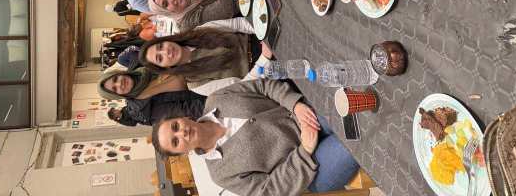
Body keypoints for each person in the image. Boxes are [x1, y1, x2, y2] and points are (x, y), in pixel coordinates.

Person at [153, 79, 360, 195]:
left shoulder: (216, 99)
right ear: (182, 152)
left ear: (182, 118)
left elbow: (263, 86)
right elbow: (268, 190)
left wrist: (295, 105)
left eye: (175, 126)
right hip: (312, 167)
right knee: (356, 141)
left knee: (354, 104)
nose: (182, 133)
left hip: (306, 115)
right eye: (175, 141)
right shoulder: (220, 174)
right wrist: (304, 151)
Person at [138, 27, 273, 90]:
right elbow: (240, 86)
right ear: (165, 68)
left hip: (259, 37)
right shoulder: (195, 83)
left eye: (160, 46)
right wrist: (264, 59)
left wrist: (261, 33)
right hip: (263, 71)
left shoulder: (195, 32)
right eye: (160, 58)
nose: (165, 51)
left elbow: (237, 24)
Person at [108, 90, 206, 127]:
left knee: (180, 97)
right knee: (182, 110)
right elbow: (133, 123)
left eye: (114, 109)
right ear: (115, 116)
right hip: (153, 114)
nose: (116, 110)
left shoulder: (124, 108)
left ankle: (204, 96)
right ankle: (208, 106)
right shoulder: (124, 118)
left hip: (152, 101)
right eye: (114, 112)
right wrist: (121, 119)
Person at [98, 67, 186, 101]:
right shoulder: (145, 103)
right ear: (117, 96)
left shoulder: (144, 67)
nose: (119, 84)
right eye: (115, 89)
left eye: (115, 79)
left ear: (119, 73)